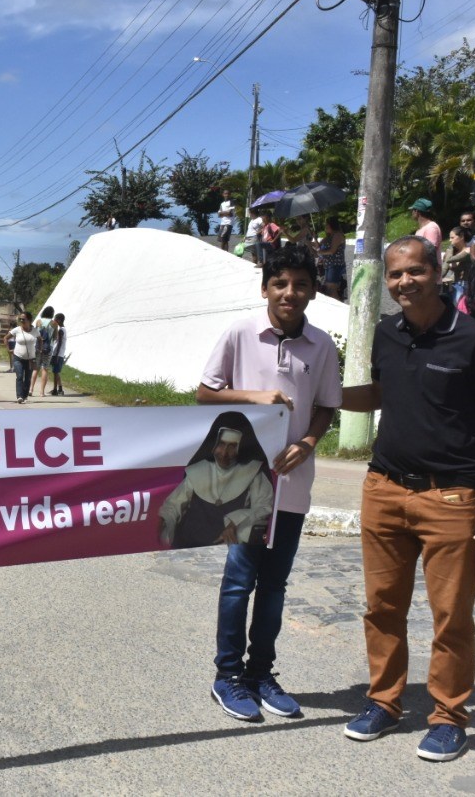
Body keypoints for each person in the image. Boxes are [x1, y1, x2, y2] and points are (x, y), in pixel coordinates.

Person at [339, 236, 475, 763]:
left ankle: (448, 717)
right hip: (384, 489)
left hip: (451, 497)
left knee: (451, 616)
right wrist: (314, 400)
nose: (403, 283)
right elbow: (378, 394)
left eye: (415, 272)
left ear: (439, 272)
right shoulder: (386, 335)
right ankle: (385, 702)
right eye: (395, 275)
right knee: (382, 608)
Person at [193, 243, 343, 721]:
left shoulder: (321, 345)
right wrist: (255, 397)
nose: (290, 292)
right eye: (280, 283)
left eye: (301, 284)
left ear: (313, 292)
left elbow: (326, 405)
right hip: (243, 485)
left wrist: (310, 442)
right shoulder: (241, 333)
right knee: (239, 581)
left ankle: (262, 673)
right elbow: (205, 392)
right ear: (265, 288)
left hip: (293, 484)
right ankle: (228, 676)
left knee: (275, 585)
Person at [158, 414, 275, 549]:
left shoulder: (254, 472)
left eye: (232, 446)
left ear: (241, 447)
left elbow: (263, 507)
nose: (224, 453)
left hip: (227, 547)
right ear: (214, 444)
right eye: (221, 444)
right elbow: (173, 505)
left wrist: (235, 522)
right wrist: (165, 522)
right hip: (188, 544)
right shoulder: (197, 470)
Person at [441, 225, 475, 305]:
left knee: (459, 306)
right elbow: (444, 269)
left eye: (452, 237)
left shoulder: (468, 251)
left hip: (464, 285)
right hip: (452, 285)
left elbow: (451, 260)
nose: (450, 240)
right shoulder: (451, 251)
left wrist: (449, 250)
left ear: (461, 237)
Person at [315, 215, 347, 300]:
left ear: (331, 225)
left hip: (335, 265)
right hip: (329, 265)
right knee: (329, 289)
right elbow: (318, 245)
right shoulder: (329, 236)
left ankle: (340, 309)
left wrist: (320, 252)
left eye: (327, 225)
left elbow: (332, 251)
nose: (325, 227)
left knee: (331, 289)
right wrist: (314, 238)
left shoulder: (337, 235)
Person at [9, 311, 38, 404]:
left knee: (28, 378)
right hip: (18, 357)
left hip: (30, 359)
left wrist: (39, 350)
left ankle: (25, 396)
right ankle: (19, 396)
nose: (21, 320)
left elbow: (40, 340)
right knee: (20, 376)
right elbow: (5, 338)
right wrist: (9, 349)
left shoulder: (35, 331)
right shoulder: (17, 330)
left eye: (23, 319)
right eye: (20, 319)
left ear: (29, 320)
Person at [31, 305, 54, 397]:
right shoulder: (54, 323)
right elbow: (55, 337)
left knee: (35, 369)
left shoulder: (38, 321)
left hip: (38, 347)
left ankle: (31, 389)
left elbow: (36, 333)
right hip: (48, 348)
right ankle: (41, 392)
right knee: (45, 369)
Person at [49, 312, 68, 395]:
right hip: (59, 353)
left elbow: (59, 343)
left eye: (55, 319)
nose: (54, 320)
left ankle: (55, 390)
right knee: (56, 372)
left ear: (59, 320)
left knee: (55, 372)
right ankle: (60, 389)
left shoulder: (61, 330)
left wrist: (56, 355)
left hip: (58, 353)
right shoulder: (63, 329)